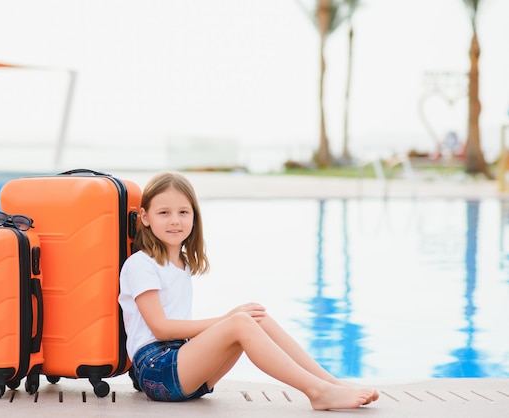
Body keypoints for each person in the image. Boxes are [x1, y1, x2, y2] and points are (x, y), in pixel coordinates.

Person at [118, 171, 379, 410]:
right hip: (156, 371)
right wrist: (226, 320)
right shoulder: (140, 264)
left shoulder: (181, 262)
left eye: (183, 212)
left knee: (256, 317)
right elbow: (161, 328)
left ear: (194, 216)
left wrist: (229, 320)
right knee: (240, 321)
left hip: (185, 368)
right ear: (145, 217)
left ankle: (331, 383)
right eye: (164, 213)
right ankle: (317, 391)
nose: (175, 221)